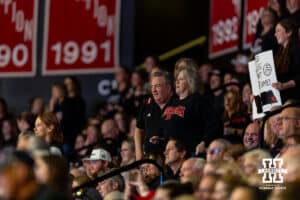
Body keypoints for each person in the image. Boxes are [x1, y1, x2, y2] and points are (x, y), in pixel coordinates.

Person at [162, 66, 221, 154]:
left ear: (190, 82)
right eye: (176, 79)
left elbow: (215, 125)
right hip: (168, 154)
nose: (177, 82)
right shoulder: (171, 102)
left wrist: (204, 142)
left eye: (181, 79)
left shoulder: (198, 101)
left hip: (189, 153)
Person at [134, 70, 175, 160]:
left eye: (158, 86)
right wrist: (138, 153)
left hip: (171, 156)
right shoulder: (146, 105)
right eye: (152, 86)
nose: (153, 90)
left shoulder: (177, 103)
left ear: (168, 88)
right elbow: (138, 130)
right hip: (150, 157)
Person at [272, 19, 300, 102]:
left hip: (295, 97)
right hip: (282, 98)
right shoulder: (279, 53)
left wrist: (284, 85)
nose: (275, 34)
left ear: (289, 32)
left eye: (278, 31)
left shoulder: (297, 49)